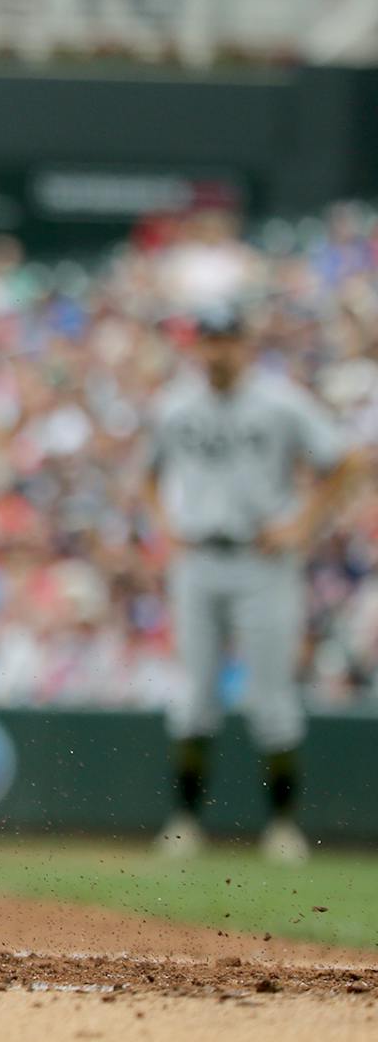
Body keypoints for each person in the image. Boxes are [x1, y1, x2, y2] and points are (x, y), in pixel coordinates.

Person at [144, 305, 354, 864]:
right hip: (198, 558)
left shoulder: (281, 400)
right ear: (197, 346)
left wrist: (303, 523)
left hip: (263, 560)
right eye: (209, 339)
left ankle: (282, 827)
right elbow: (148, 474)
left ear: (246, 342)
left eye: (227, 339)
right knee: (193, 696)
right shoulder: (175, 404)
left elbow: (343, 461)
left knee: (272, 697)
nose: (217, 350)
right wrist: (166, 525)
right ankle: (185, 821)